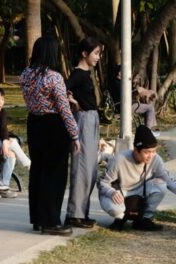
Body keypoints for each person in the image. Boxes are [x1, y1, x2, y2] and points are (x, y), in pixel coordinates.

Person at [21, 36, 81, 236]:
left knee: (38, 171)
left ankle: (38, 219)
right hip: (54, 126)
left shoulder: (25, 74)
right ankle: (51, 221)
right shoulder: (54, 77)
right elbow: (64, 110)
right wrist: (74, 135)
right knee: (54, 176)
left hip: (34, 123)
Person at [98, 125, 176, 231]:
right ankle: (119, 220)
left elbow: (170, 180)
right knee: (116, 210)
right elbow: (102, 183)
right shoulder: (119, 160)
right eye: (147, 152)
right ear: (136, 150)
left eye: (153, 151)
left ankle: (145, 219)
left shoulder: (155, 159)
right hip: (119, 192)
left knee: (161, 185)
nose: (151, 156)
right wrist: (111, 192)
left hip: (140, 190)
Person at [64, 37, 104, 229]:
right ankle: (74, 214)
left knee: (90, 169)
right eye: (96, 53)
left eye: (99, 53)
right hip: (84, 121)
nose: (98, 57)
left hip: (91, 120)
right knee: (81, 168)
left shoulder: (86, 74)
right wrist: (73, 103)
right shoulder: (78, 74)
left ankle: (81, 213)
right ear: (84, 53)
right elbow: (62, 89)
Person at [107, 65, 157, 131]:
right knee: (150, 108)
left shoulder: (116, 82)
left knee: (148, 107)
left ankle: (148, 130)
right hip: (125, 107)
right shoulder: (117, 83)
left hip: (124, 105)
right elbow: (125, 95)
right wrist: (136, 91)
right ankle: (149, 131)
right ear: (119, 73)